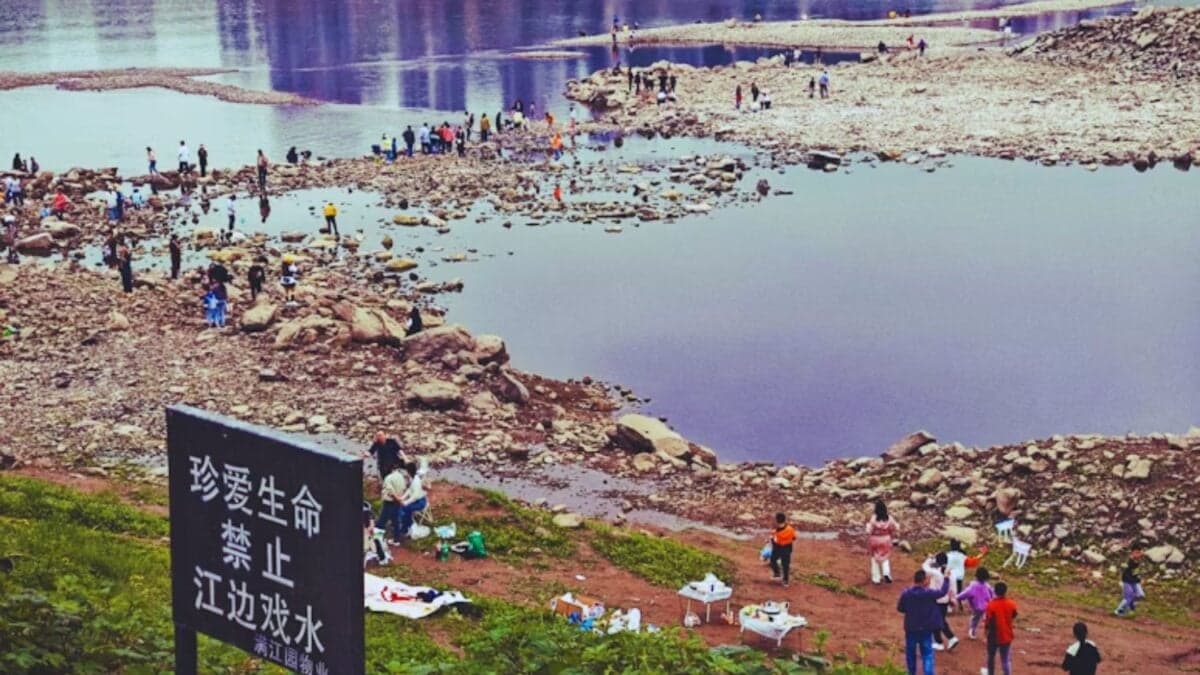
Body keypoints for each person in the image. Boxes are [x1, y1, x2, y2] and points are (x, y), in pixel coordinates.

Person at [898, 569, 950, 675]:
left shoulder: (906, 593)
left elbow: (900, 608)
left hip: (911, 628)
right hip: (926, 628)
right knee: (927, 654)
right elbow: (942, 592)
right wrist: (946, 578)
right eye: (927, 578)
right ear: (924, 581)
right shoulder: (929, 593)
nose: (929, 580)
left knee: (910, 654)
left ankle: (911, 673)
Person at [923, 552, 958, 651]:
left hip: (934, 599)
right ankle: (941, 641)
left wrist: (930, 559)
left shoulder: (935, 572)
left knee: (937, 621)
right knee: (939, 620)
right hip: (945, 600)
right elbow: (953, 589)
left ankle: (949, 638)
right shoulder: (951, 573)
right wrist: (953, 599)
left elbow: (924, 567)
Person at [983, 582, 1017, 675]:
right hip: (1007, 635)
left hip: (994, 636)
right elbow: (1014, 615)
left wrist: (986, 632)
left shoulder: (991, 605)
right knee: (1005, 659)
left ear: (995, 591)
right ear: (1006, 591)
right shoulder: (1012, 604)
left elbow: (988, 621)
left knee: (991, 657)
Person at [375, 463, 409, 544]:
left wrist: (397, 499)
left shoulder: (388, 478)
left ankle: (377, 540)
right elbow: (404, 488)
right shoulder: (401, 476)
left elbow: (391, 492)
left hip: (389, 502)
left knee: (381, 522)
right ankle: (396, 540)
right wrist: (400, 500)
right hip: (397, 502)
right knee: (396, 521)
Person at [956, 567, 994, 640]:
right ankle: (987, 635)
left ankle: (972, 631)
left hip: (977, 607)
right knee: (988, 621)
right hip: (988, 606)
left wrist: (956, 597)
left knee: (975, 620)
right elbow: (993, 594)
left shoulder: (973, 586)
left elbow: (964, 594)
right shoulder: (987, 586)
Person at [867, 499, 899, 584]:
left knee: (874, 559)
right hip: (886, 539)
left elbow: (869, 530)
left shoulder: (874, 518)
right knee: (885, 558)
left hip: (874, 539)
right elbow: (895, 527)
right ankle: (886, 573)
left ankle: (876, 578)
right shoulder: (889, 518)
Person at [397, 460, 428, 537]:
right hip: (415, 500)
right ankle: (407, 525)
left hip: (420, 502)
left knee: (405, 508)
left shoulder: (416, 481)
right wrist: (402, 497)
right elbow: (409, 489)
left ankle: (405, 528)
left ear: (408, 471)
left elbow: (415, 496)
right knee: (403, 508)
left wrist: (406, 502)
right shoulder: (412, 478)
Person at [768, 512, 795, 587]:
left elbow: (775, 542)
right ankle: (786, 581)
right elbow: (794, 537)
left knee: (773, 560)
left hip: (778, 548)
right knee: (785, 565)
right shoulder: (790, 529)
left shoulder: (777, 533)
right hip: (788, 548)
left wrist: (771, 538)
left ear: (776, 521)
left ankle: (777, 574)